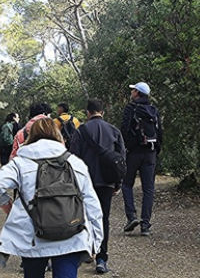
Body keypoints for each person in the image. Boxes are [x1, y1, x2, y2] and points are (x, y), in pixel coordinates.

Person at [0, 115, 104, 278]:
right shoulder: (75, 163)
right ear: (58, 135)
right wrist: (95, 243)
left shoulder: (21, 162)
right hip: (71, 234)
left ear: (31, 137)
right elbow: (93, 206)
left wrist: (7, 204)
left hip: (32, 236)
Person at [69, 99, 125, 274]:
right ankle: (102, 258)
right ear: (103, 112)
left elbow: (73, 157)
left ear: (87, 113)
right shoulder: (114, 131)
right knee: (103, 218)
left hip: (86, 182)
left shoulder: (81, 131)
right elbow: (121, 158)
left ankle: (86, 251)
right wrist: (118, 183)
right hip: (107, 181)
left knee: (83, 217)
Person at [120, 81, 162, 236]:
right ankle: (145, 226)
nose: (131, 93)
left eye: (133, 91)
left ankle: (131, 216)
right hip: (150, 153)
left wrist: (126, 148)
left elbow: (124, 129)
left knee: (126, 184)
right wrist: (156, 150)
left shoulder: (131, 108)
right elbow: (160, 132)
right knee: (149, 189)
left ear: (137, 93)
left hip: (134, 153)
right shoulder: (153, 110)